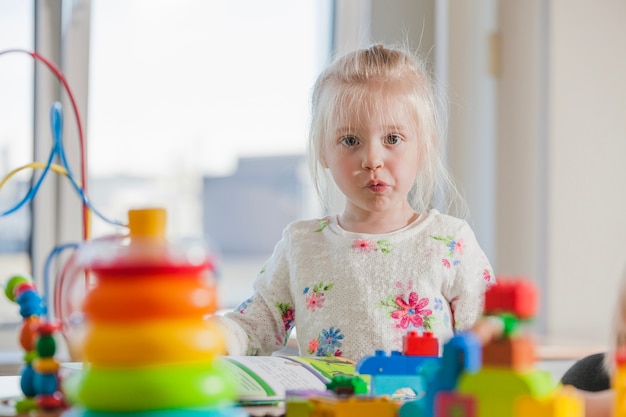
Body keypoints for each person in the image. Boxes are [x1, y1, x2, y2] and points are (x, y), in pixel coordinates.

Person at [216, 44, 494, 361]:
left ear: (424, 146)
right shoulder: (302, 245)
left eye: (393, 139)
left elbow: (488, 336)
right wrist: (208, 337)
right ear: (323, 150)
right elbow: (254, 326)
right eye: (350, 141)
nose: (372, 159)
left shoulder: (450, 240)